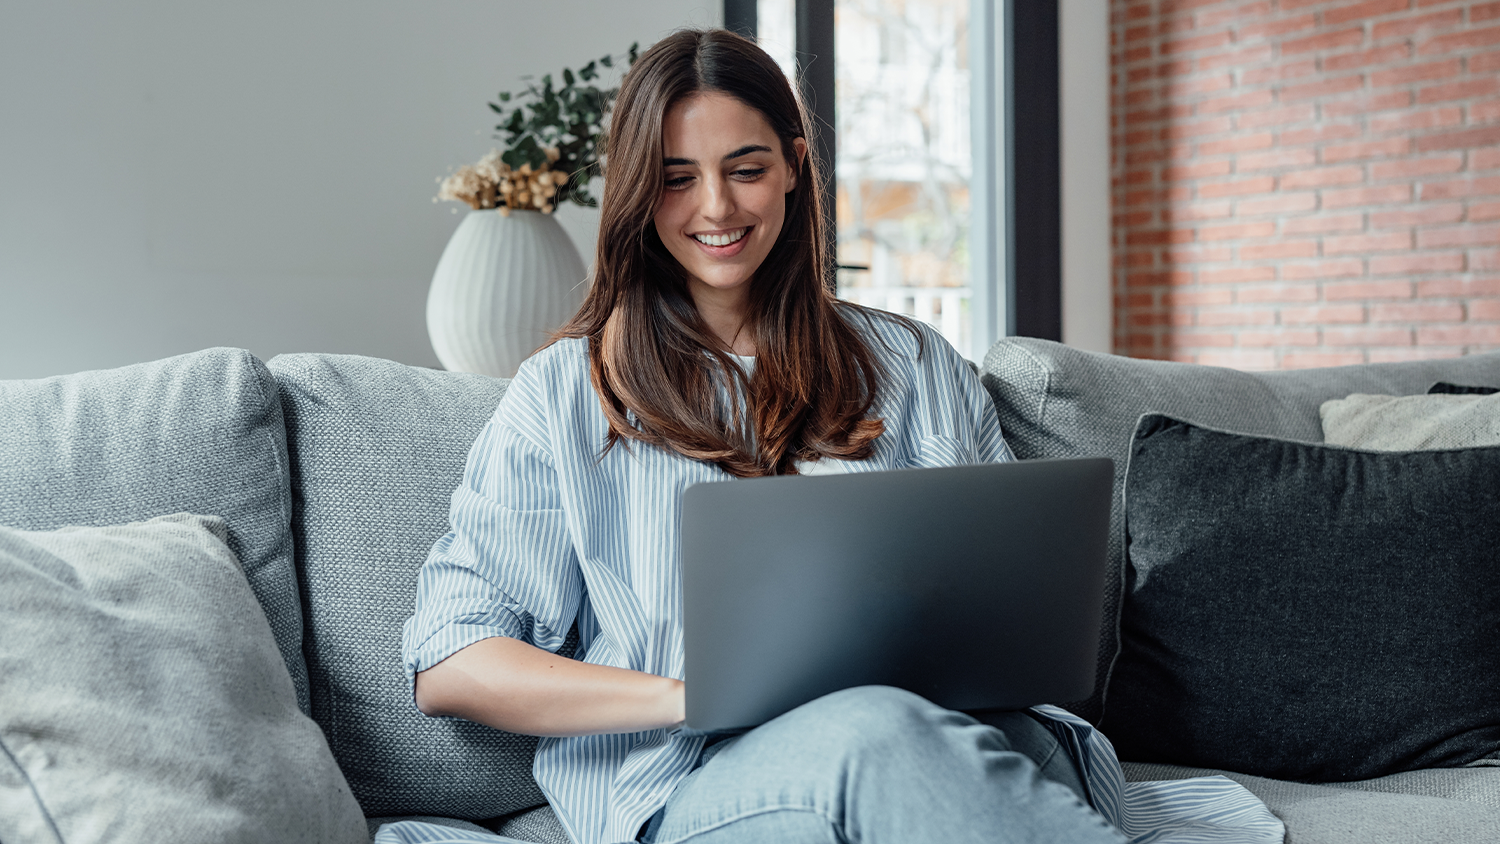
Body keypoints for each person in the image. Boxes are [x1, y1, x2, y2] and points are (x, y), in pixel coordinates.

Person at [380, 28, 1281, 844]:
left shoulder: (912, 363)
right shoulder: (567, 393)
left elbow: (1011, 607)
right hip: (702, 781)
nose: (717, 208)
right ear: (636, 190)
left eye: (746, 167)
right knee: (873, 733)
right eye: (677, 176)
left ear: (793, 166)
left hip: (965, 738)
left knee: (942, 735)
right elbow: (454, 662)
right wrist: (690, 698)